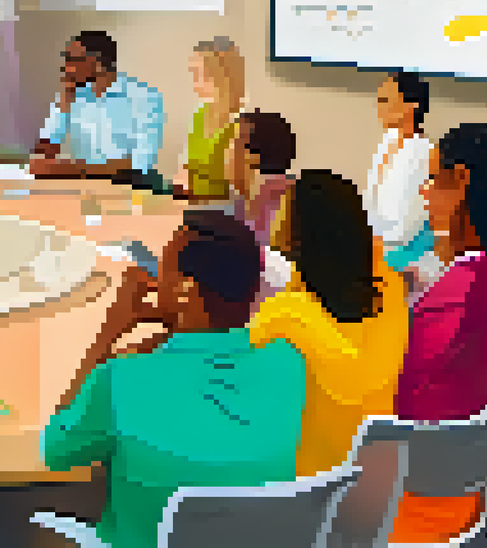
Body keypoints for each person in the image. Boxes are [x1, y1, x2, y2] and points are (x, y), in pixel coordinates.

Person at [44, 209, 307, 548]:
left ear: (187, 289)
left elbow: (56, 449)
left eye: (163, 272)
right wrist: (181, 321)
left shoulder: (121, 379)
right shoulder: (288, 364)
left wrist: (108, 333)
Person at [392, 122, 487, 543]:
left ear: (462, 181)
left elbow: (396, 399)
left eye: (433, 179)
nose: (423, 192)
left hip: (408, 500)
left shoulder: (455, 297)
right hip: (464, 499)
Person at [248, 170, 409, 478]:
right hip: (372, 486)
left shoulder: (285, 315)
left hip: (300, 488)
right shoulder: (390, 288)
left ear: (299, 236)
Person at [31, 30, 164, 180]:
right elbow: (43, 157)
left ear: (98, 63)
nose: (65, 68)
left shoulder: (144, 97)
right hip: (83, 188)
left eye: (72, 60)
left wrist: (72, 169)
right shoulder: (71, 94)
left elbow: (140, 163)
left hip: (127, 189)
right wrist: (64, 102)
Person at [365, 71, 436, 281]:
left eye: (386, 100)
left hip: (404, 256)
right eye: (379, 100)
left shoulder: (426, 152)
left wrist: (382, 249)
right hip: (375, 248)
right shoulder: (385, 145)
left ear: (411, 106)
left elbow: (415, 219)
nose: (380, 107)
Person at [225, 110, 298, 312]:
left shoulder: (283, 208)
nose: (225, 154)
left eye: (231, 144)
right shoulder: (244, 203)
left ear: (252, 156)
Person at [175, 37, 245, 200]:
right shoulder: (199, 114)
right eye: (194, 75)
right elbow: (185, 167)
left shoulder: (241, 121)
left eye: (204, 75)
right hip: (192, 204)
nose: (196, 85)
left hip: (225, 211)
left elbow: (239, 187)